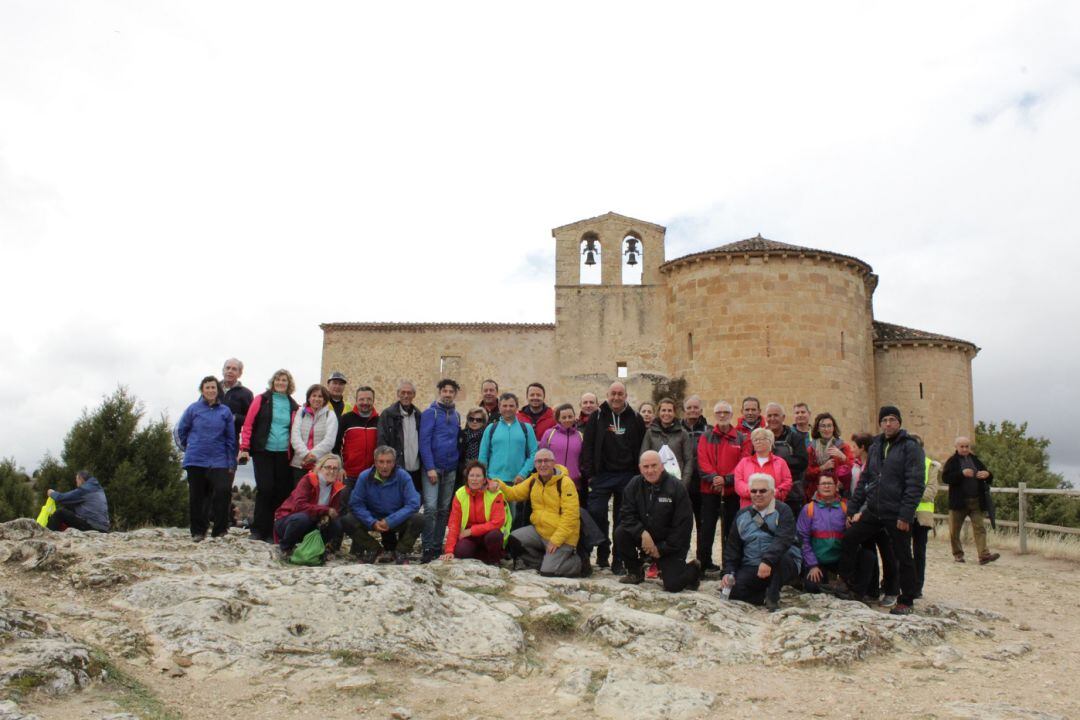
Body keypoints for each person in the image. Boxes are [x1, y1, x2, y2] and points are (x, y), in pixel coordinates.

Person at [831, 406, 924, 615]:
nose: (888, 424)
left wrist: (906, 514)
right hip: (875, 508)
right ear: (880, 423)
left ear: (899, 422)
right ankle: (845, 581)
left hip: (896, 511)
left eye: (892, 420)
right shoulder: (876, 446)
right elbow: (866, 479)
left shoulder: (910, 447)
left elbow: (915, 483)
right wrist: (852, 509)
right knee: (850, 537)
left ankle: (906, 599)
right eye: (884, 420)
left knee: (902, 555)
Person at [581, 382, 647, 574]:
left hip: (627, 476)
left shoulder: (635, 418)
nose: (616, 397)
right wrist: (591, 475)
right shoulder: (597, 416)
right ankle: (602, 552)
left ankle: (619, 559)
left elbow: (642, 447)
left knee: (623, 519)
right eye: (613, 394)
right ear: (607, 395)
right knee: (596, 512)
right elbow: (588, 446)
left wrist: (638, 476)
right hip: (602, 476)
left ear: (626, 395)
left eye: (620, 394)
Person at [614, 450, 700, 592]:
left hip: (669, 544)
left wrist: (661, 549)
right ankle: (635, 571)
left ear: (662, 466)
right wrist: (642, 533)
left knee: (673, 586)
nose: (650, 470)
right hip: (646, 538)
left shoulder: (676, 487)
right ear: (640, 468)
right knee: (621, 532)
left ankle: (693, 569)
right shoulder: (634, 484)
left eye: (654, 466)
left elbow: (683, 526)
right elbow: (626, 514)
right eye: (646, 467)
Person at [495, 449, 583, 577]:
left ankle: (577, 562)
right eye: (539, 461)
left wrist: (556, 540)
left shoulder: (565, 483)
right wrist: (498, 484)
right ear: (535, 464)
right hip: (540, 532)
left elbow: (571, 516)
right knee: (514, 538)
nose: (543, 464)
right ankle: (545, 561)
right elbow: (513, 494)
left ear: (553, 463)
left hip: (562, 537)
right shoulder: (533, 480)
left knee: (548, 572)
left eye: (546, 461)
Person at [721, 473, 801, 611]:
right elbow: (733, 547)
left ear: (772, 492)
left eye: (763, 490)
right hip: (752, 565)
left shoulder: (783, 511)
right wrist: (729, 572)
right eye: (754, 491)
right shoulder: (741, 515)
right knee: (732, 591)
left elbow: (783, 539)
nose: (758, 494)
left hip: (780, 562)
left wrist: (767, 561)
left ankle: (773, 596)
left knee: (781, 559)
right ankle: (763, 597)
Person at [239, 369, 299, 542]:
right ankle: (258, 529)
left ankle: (273, 531)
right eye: (278, 380)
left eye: (284, 380)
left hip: (284, 454)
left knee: (280, 492)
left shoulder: (294, 405)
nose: (281, 383)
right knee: (265, 489)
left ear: (289, 384)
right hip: (263, 451)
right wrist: (245, 447)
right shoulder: (262, 400)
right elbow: (249, 424)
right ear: (273, 382)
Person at [175, 376, 237, 541]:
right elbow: (181, 430)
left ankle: (220, 530)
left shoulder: (225, 411)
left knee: (223, 491)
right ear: (202, 390)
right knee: (197, 496)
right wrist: (191, 446)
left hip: (219, 459)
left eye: (213, 388)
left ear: (218, 391)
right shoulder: (193, 409)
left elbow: (231, 438)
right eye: (207, 387)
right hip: (196, 459)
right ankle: (198, 531)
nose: (210, 390)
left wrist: (232, 462)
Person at [342, 446, 424, 563]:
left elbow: (413, 503)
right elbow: (356, 504)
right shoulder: (364, 477)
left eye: (388, 462)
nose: (384, 466)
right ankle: (374, 549)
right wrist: (372, 522)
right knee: (347, 520)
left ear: (394, 463)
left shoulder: (403, 476)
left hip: (395, 518)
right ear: (375, 462)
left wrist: (390, 521)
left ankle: (401, 551)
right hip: (373, 518)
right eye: (381, 462)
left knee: (419, 519)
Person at [696, 401, 750, 570]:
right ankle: (703, 564)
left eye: (725, 412)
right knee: (706, 529)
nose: (722, 415)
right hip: (709, 490)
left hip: (732, 492)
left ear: (731, 415)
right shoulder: (706, 437)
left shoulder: (741, 438)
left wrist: (726, 480)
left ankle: (729, 565)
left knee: (731, 531)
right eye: (719, 412)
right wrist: (714, 478)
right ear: (714, 415)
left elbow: (744, 463)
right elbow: (702, 461)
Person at [419, 378, 462, 563]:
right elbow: (424, 441)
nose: (447, 394)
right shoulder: (430, 413)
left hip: (450, 469)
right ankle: (427, 545)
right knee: (429, 508)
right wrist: (429, 467)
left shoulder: (457, 415)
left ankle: (437, 545)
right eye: (444, 391)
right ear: (439, 392)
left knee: (444, 509)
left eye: (451, 391)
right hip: (433, 469)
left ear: (455, 394)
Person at [942, 436, 1000, 565]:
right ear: (956, 447)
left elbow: (988, 475)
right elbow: (945, 478)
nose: (964, 449)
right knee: (954, 531)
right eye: (962, 446)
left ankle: (984, 555)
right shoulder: (952, 461)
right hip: (958, 502)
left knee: (980, 528)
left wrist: (987, 474)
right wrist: (961, 474)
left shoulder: (975, 460)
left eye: (967, 446)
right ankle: (958, 554)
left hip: (976, 501)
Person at [273, 454, 346, 554]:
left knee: (336, 524)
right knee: (303, 518)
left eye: (335, 469)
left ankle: (317, 549)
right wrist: (325, 510)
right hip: (288, 520)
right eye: (328, 467)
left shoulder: (337, 487)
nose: (331, 471)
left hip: (312, 522)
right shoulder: (308, 479)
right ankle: (286, 548)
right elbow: (300, 506)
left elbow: (333, 511)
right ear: (320, 468)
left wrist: (328, 515)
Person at [442, 461, 509, 564]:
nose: (474, 479)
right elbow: (454, 523)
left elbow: (498, 521)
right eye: (471, 475)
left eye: (478, 476)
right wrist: (449, 550)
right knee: (461, 552)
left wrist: (472, 531)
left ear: (484, 479)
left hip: (487, 534)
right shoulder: (460, 494)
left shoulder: (495, 493)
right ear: (467, 478)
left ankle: (494, 562)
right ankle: (482, 556)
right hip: (470, 538)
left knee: (495, 536)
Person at [796, 475, 846, 593]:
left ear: (836, 487)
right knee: (812, 587)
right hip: (817, 560)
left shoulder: (845, 508)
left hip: (840, 560)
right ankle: (830, 583)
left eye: (830, 483)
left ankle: (841, 583)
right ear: (817, 487)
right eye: (823, 484)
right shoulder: (808, 509)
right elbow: (803, 539)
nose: (827, 486)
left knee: (867, 556)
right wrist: (812, 565)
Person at [377, 380, 423, 492]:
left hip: (415, 470)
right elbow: (382, 442)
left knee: (413, 502)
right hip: (396, 469)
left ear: (414, 395)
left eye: (409, 393)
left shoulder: (419, 415)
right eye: (403, 392)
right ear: (398, 394)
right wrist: (387, 465)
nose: (406, 396)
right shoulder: (387, 415)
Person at [764, 402, 809, 516]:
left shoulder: (795, 438)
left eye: (776, 415)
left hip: (792, 493)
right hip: (766, 493)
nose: (772, 419)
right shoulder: (760, 437)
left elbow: (802, 462)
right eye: (769, 416)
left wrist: (776, 462)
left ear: (783, 417)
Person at [910, 434, 942, 597]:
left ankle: (917, 587)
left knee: (919, 552)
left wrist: (909, 494)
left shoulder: (930, 466)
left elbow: (931, 492)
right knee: (899, 551)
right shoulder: (902, 465)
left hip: (922, 516)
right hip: (904, 514)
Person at [290, 384, 339, 482]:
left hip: (321, 465)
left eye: (320, 396)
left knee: (317, 496)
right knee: (299, 495)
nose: (317, 399)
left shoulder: (330, 415)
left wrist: (312, 456)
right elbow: (295, 436)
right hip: (299, 464)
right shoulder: (301, 413)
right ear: (308, 398)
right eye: (314, 395)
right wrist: (305, 454)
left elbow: (329, 441)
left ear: (325, 399)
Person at [733, 428, 792, 508]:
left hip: (774, 507)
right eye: (755, 440)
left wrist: (774, 492)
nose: (758, 442)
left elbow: (787, 482)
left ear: (770, 441)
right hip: (749, 508)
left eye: (762, 438)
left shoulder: (780, 462)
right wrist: (755, 493)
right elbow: (738, 483)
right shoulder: (744, 462)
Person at [338, 386, 380, 498]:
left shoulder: (379, 421)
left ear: (373, 401)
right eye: (361, 399)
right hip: (349, 475)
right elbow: (337, 445)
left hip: (372, 474)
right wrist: (340, 467)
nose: (365, 402)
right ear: (356, 400)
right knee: (344, 506)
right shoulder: (346, 419)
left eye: (369, 399)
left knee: (370, 508)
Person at [640, 398, 694, 480]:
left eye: (669, 410)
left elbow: (688, 461)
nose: (666, 413)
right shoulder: (650, 433)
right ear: (659, 412)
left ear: (674, 413)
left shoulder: (683, 434)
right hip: (655, 481)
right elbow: (643, 458)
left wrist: (684, 483)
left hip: (676, 482)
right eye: (663, 410)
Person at [805, 413, 854, 499]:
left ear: (833, 428)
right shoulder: (811, 448)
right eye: (823, 426)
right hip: (816, 493)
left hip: (838, 492)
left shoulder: (843, 446)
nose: (826, 429)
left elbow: (853, 468)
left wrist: (842, 457)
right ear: (818, 429)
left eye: (829, 426)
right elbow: (807, 474)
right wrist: (822, 467)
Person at [539, 403, 584, 496]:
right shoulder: (549, 434)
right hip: (551, 482)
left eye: (570, 416)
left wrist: (579, 473)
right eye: (563, 417)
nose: (567, 420)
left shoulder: (580, 436)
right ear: (558, 419)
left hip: (573, 483)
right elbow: (541, 457)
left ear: (574, 417)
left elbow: (582, 459)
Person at [221, 358, 254, 455]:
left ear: (240, 374)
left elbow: (250, 420)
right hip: (207, 440)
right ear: (223, 370)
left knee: (226, 470)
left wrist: (235, 417)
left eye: (234, 369)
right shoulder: (212, 388)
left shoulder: (246, 394)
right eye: (227, 368)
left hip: (230, 441)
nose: (230, 371)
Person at [457, 407, 488, 488]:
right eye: (471, 419)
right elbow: (458, 455)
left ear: (483, 422)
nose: (474, 421)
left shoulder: (487, 436)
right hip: (462, 474)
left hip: (481, 474)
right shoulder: (462, 434)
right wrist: (463, 469)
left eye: (478, 420)